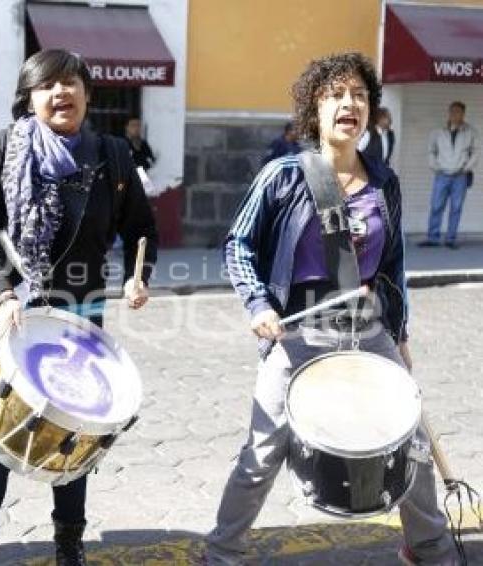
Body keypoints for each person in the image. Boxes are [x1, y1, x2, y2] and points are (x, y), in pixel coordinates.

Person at [204, 52, 459, 566]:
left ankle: (427, 546)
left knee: (410, 440)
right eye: (336, 94)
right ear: (314, 109)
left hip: (368, 328)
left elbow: (394, 262)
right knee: (261, 452)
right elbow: (238, 244)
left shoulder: (383, 180)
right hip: (297, 332)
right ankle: (222, 552)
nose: (350, 104)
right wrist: (257, 303)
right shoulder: (284, 175)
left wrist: (400, 331)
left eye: (360, 95)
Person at [0, 49, 158, 566]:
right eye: (47, 84)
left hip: (80, 313)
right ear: (29, 96)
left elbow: (140, 226)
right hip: (15, 308)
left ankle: (69, 542)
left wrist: (141, 275)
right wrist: (3, 294)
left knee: (77, 432)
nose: (60, 92)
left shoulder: (113, 154)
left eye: (71, 82)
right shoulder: (5, 147)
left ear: (88, 94)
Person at [419, 101, 478, 249]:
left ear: (463, 114)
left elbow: (476, 152)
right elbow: (431, 150)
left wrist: (466, 168)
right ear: (449, 113)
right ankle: (433, 238)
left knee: (456, 208)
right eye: (452, 111)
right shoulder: (438, 131)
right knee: (436, 206)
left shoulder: (470, 132)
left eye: (458, 112)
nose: (455, 114)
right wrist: (435, 167)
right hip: (442, 175)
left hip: (460, 176)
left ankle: (450, 239)